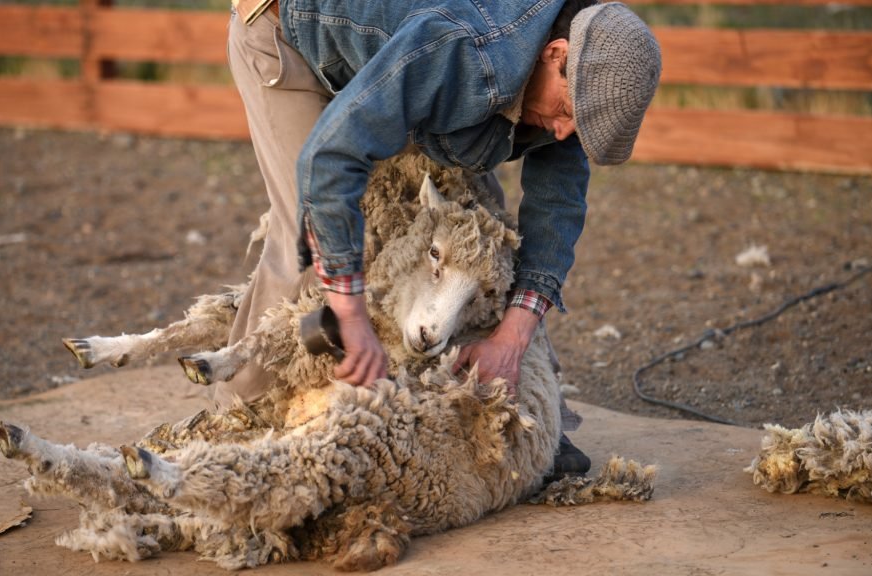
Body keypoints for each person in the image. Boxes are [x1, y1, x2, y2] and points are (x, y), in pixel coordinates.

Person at [220, 0, 661, 478]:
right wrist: (350, 311)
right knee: (309, 238)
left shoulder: (582, 74)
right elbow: (330, 157)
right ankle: (234, 421)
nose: (563, 132)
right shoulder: (465, 52)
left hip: (408, 61)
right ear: (556, 54)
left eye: (578, 126)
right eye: (566, 112)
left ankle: (522, 412)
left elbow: (556, 210)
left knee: (483, 246)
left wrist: (511, 339)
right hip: (290, 31)